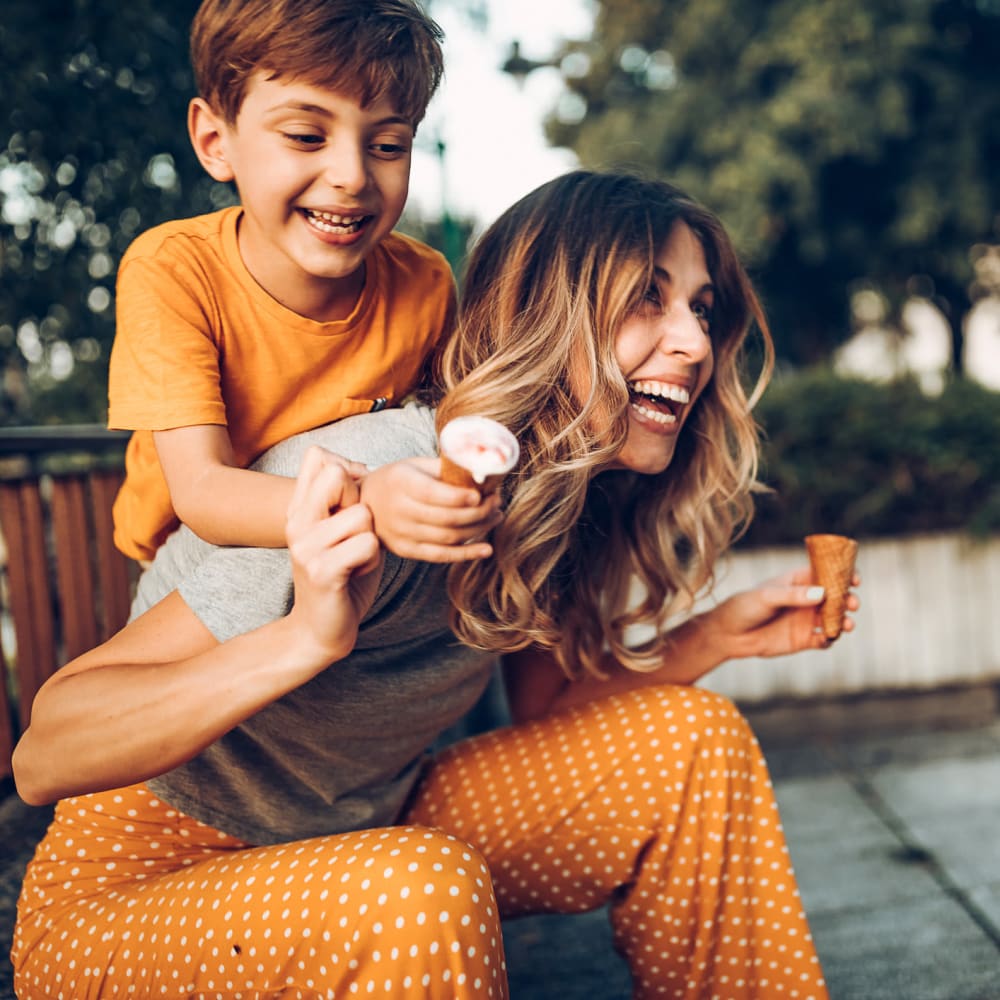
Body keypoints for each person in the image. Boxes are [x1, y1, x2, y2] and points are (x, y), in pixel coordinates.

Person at [12, 170, 857, 999]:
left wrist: (714, 637)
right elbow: (49, 750)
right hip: (134, 893)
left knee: (692, 743)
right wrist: (304, 636)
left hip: (362, 830)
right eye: (648, 297)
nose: (696, 343)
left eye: (702, 309)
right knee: (422, 892)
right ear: (545, 313)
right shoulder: (380, 473)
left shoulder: (557, 497)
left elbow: (539, 711)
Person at [107, 0, 498, 565]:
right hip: (190, 560)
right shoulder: (172, 269)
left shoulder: (425, 283)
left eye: (388, 146)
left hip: (335, 549)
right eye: (305, 136)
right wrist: (369, 502)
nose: (353, 176)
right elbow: (202, 492)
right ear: (216, 141)